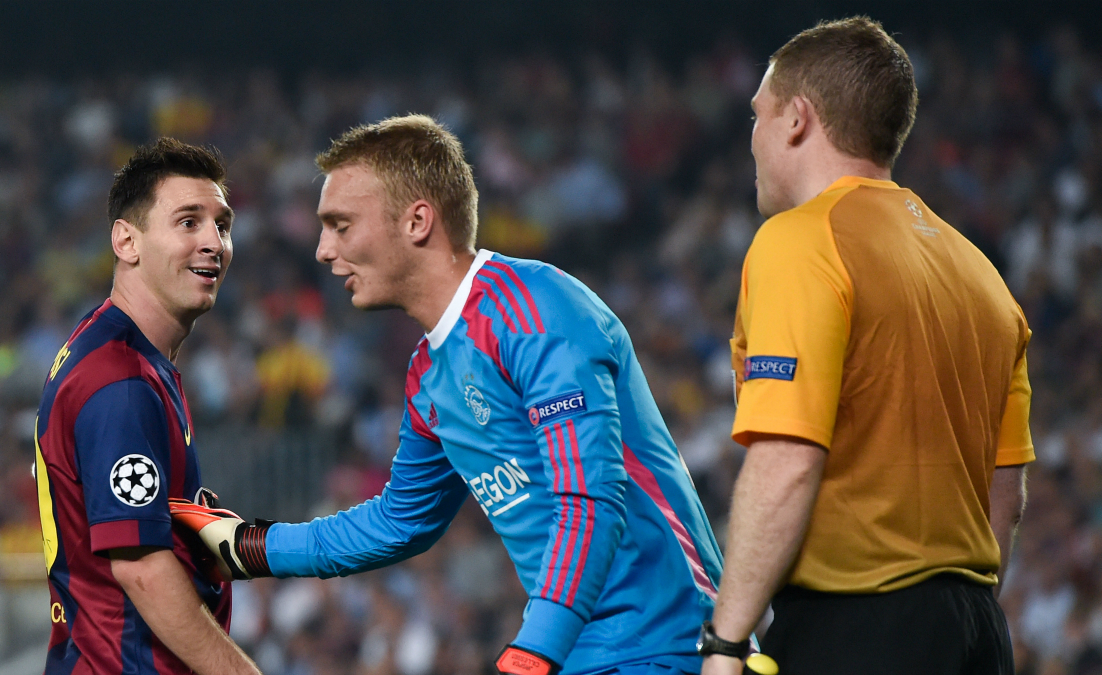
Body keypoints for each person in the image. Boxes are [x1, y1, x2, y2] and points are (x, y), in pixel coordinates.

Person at [172, 114, 726, 675]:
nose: (321, 249)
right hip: (574, 656)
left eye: (340, 225)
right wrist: (251, 547)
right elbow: (399, 521)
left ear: (417, 221)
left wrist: (535, 648)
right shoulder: (427, 373)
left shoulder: (536, 312)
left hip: (666, 648)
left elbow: (587, 500)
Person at [699, 17, 1034, 675]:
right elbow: (1007, 494)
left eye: (756, 117)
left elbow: (788, 458)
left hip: (855, 625)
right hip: (978, 633)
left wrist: (727, 642)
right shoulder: (982, 275)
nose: (753, 140)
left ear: (797, 119)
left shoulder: (801, 241)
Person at [33, 138, 260, 675]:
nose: (215, 242)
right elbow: (142, 569)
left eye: (222, 225)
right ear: (127, 241)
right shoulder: (122, 381)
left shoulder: (116, 349)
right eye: (188, 222)